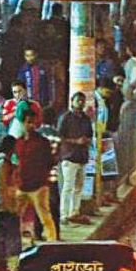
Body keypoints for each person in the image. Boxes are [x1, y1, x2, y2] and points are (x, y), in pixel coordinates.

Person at [56, 92, 93, 226]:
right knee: (68, 186)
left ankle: (74, 212)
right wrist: (76, 141)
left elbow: (90, 135)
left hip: (82, 156)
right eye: (78, 101)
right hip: (69, 156)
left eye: (82, 101)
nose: (81, 103)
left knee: (79, 186)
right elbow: (60, 136)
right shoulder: (66, 118)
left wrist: (86, 141)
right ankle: (64, 214)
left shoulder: (86, 119)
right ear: (72, 101)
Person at [16, 128, 58, 242]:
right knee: (15, 216)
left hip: (38, 185)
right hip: (23, 184)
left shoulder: (42, 142)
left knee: (45, 216)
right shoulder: (19, 141)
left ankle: (52, 241)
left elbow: (50, 161)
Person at [0, 133, 24, 265]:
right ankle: (2, 262)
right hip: (5, 206)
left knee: (2, 234)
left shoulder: (1, 161)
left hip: (3, 204)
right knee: (7, 235)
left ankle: (0, 261)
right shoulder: (3, 163)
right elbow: (2, 186)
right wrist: (10, 206)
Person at [96, 75, 125, 198]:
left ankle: (108, 194)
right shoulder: (94, 101)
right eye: (107, 92)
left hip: (105, 134)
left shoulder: (105, 100)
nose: (109, 95)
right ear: (101, 88)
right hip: (98, 137)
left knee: (108, 167)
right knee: (101, 168)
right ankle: (102, 195)